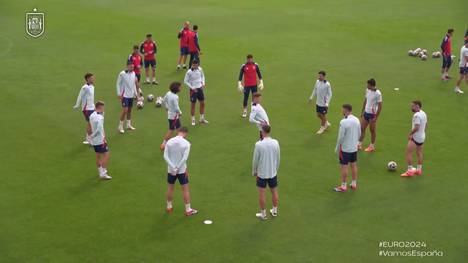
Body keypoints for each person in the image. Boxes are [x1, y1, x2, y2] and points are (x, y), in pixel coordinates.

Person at [163, 127, 198, 216]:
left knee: (170, 188)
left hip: (171, 170)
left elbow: (165, 156)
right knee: (185, 190)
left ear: (178, 132)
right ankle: (188, 209)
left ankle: (169, 207)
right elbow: (184, 158)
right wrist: (178, 167)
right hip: (181, 170)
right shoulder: (187, 143)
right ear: (185, 134)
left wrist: (173, 167)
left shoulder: (169, 141)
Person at [252, 125, 280, 220]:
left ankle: (263, 214)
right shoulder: (275, 142)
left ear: (262, 132)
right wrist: (275, 169)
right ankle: (274, 210)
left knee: (262, 194)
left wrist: (254, 171)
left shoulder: (258, 144)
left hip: (262, 174)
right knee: (274, 192)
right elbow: (278, 157)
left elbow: (255, 160)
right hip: (273, 173)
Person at [334, 104, 361, 192]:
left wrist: (337, 148)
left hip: (345, 148)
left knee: (344, 166)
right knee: (353, 165)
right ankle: (354, 183)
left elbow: (340, 137)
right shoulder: (357, 120)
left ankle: (343, 186)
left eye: (342, 110)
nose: (342, 111)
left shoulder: (343, 122)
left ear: (346, 110)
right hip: (354, 148)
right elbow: (359, 133)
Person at [401, 101, 428, 177]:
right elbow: (426, 124)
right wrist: (423, 132)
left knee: (408, 152)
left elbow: (417, 127)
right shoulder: (424, 113)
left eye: (412, 106)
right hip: (422, 137)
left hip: (415, 137)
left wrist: (410, 134)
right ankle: (419, 170)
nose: (411, 107)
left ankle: (409, 171)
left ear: (417, 106)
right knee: (419, 153)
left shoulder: (416, 115)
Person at [116, 61, 141, 134]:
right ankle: (120, 126)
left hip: (131, 95)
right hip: (124, 95)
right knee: (125, 110)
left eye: (133, 67)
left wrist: (136, 94)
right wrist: (118, 93)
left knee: (129, 110)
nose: (132, 68)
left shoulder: (133, 73)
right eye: (131, 67)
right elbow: (118, 84)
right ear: (127, 66)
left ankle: (128, 125)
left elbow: (133, 84)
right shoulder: (122, 74)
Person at [358, 78, 382, 152]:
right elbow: (365, 100)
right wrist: (362, 111)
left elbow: (380, 106)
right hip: (366, 112)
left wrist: (376, 117)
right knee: (362, 128)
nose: (366, 85)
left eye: (368, 84)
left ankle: (372, 146)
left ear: (371, 85)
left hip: (372, 114)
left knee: (372, 130)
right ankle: (359, 144)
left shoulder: (378, 93)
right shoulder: (367, 90)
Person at [89, 101, 111, 180]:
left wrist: (91, 137)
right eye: (103, 108)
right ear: (100, 107)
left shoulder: (92, 115)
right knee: (106, 155)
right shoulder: (100, 117)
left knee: (98, 156)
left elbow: (91, 126)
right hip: (100, 140)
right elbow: (98, 129)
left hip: (95, 141)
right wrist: (93, 135)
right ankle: (103, 173)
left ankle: (100, 171)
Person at [184, 60, 208, 126]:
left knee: (202, 103)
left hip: (200, 89)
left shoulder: (200, 69)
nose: (195, 66)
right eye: (193, 65)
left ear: (198, 65)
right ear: (192, 64)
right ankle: (193, 119)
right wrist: (192, 87)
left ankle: (201, 118)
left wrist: (203, 83)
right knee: (193, 105)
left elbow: (203, 76)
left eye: (196, 65)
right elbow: (185, 81)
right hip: (193, 90)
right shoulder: (189, 72)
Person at [73, 73, 95, 145]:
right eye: (92, 78)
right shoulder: (85, 87)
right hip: (87, 109)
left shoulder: (92, 86)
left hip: (92, 107)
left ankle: (88, 139)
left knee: (91, 124)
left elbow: (90, 98)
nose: (93, 79)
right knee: (91, 124)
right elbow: (80, 96)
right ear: (88, 79)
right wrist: (77, 104)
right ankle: (90, 140)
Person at [161, 82, 183, 150]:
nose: (181, 88)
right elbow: (176, 107)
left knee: (177, 129)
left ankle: (178, 143)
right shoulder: (175, 97)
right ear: (176, 89)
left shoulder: (168, 93)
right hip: (174, 116)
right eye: (180, 87)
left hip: (170, 115)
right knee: (172, 130)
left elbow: (163, 101)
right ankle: (164, 144)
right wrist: (180, 112)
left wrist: (166, 107)